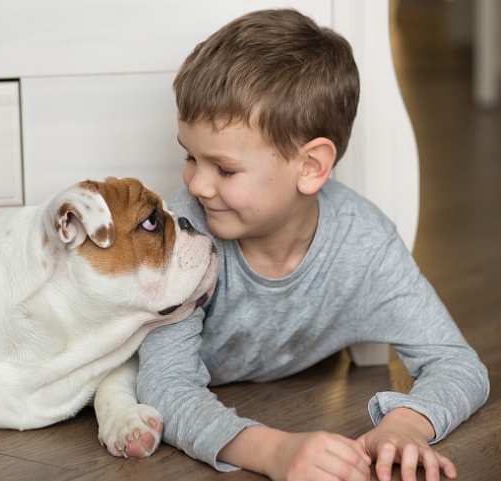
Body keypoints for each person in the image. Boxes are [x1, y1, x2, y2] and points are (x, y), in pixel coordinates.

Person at [136, 8, 490, 481]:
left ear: (311, 167)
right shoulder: (182, 234)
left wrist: (406, 425)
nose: (198, 184)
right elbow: (164, 385)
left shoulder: (363, 244)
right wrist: (273, 451)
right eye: (189, 156)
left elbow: (457, 363)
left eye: (224, 169)